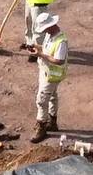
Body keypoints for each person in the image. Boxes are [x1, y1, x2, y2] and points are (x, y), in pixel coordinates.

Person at [25, 13, 67, 141]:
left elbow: (59, 60)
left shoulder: (61, 42)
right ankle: (52, 122)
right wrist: (35, 47)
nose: (44, 31)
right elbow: (46, 48)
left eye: (45, 29)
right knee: (52, 96)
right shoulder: (50, 35)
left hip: (51, 76)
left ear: (51, 26)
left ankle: (41, 127)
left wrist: (40, 55)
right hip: (45, 71)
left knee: (41, 100)